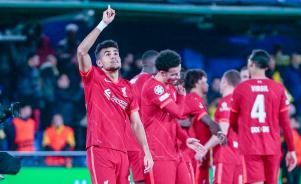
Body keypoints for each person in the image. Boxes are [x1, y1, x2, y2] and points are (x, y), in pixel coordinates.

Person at [76, 6, 153, 184]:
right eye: (108, 54)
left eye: (116, 53)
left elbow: (136, 123)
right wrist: (103, 23)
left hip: (122, 151)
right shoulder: (94, 78)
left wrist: (147, 152)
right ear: (100, 62)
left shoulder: (128, 88)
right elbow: (81, 51)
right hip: (100, 149)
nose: (114, 56)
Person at [230, 49, 297, 184]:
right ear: (267, 67)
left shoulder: (241, 88)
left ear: (252, 64)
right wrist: (291, 149)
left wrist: (245, 133)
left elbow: (232, 122)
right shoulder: (278, 88)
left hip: (250, 146)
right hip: (272, 146)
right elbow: (285, 123)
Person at [141, 49, 206, 184]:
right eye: (174, 74)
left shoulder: (169, 87)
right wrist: (182, 96)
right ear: (162, 73)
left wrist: (185, 139)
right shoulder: (154, 88)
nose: (178, 77)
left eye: (179, 72)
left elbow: (171, 120)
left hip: (174, 152)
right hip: (158, 154)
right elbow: (178, 113)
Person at [182, 69, 226, 184]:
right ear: (197, 83)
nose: (207, 84)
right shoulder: (192, 98)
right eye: (205, 81)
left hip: (201, 154)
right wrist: (220, 133)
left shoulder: (199, 100)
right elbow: (210, 124)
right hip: (195, 154)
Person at [202, 69, 243, 184]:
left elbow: (222, 132)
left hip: (225, 156)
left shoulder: (226, 102)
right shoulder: (241, 103)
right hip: (239, 157)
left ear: (224, 81)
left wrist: (204, 149)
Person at [128, 50, 159, 184]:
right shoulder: (150, 82)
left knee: (139, 179)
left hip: (131, 139)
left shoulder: (130, 82)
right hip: (147, 140)